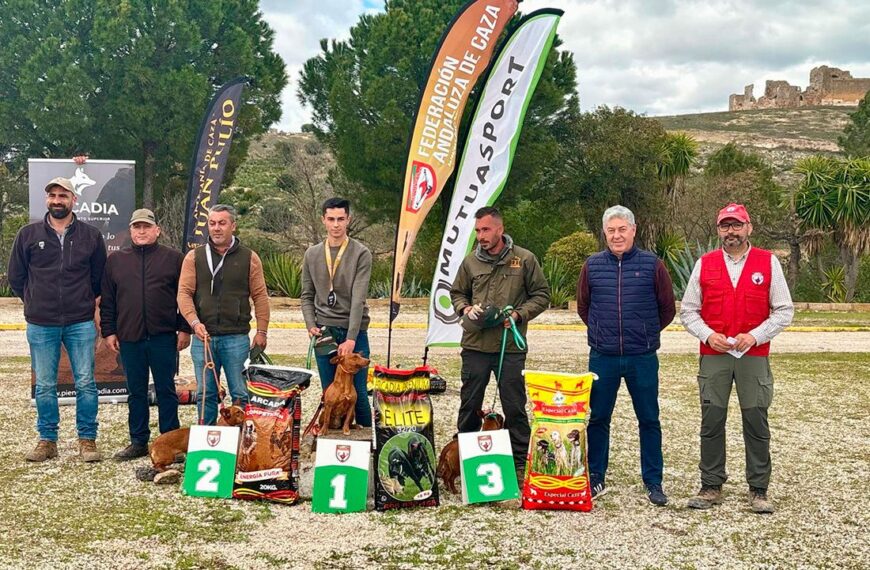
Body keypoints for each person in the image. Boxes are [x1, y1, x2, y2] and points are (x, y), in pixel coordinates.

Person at [681, 203, 794, 514]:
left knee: (756, 419)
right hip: (714, 355)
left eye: (736, 225)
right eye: (725, 226)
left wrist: (755, 335)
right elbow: (688, 311)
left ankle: (759, 489)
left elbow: (784, 310)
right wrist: (708, 335)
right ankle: (711, 485)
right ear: (718, 230)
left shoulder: (767, 262)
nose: (731, 231)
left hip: (752, 356)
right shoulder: (705, 264)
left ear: (749, 228)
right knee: (712, 419)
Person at [576, 205, 676, 506]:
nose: (617, 235)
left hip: (641, 357)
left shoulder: (652, 265)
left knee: (649, 418)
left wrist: (644, 333)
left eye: (622, 229)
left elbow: (667, 308)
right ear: (604, 233)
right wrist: (602, 332)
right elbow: (584, 307)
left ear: (633, 230)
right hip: (603, 357)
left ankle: (653, 481)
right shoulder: (592, 265)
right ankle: (595, 475)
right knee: (598, 418)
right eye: (611, 230)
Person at [8, 174, 107, 462]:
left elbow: (99, 277)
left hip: (80, 321)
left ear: (74, 199)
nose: (57, 200)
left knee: (86, 382)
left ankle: (87, 439)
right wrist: (34, 301)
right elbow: (16, 276)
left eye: (63, 195)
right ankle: (47, 440)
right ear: (47, 199)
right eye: (52, 195)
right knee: (45, 385)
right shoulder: (27, 235)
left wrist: (87, 303)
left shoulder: (91, 235)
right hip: (41, 323)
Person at [450, 206, 550, 478]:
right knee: (469, 404)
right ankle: (464, 458)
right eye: (478, 230)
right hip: (476, 346)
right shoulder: (470, 262)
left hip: (510, 346)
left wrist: (519, 314)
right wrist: (464, 308)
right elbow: (457, 293)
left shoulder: (524, 259)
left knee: (514, 405)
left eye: (486, 230)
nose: (481, 236)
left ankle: (520, 461)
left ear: (500, 229)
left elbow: (542, 295)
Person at [100, 208, 192, 459]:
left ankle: (170, 441)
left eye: (146, 227)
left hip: (163, 337)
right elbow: (108, 300)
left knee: (166, 390)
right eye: (137, 227)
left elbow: (185, 296)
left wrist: (184, 328)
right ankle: (138, 441)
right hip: (130, 337)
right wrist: (109, 331)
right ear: (130, 230)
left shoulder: (174, 259)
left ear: (157, 230)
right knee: (136, 392)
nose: (141, 231)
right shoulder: (115, 261)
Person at [177, 204, 270, 425]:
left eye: (222, 223)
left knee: (241, 393)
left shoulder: (249, 257)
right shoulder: (194, 257)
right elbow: (184, 293)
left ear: (233, 226)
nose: (216, 228)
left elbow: (260, 296)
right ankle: (206, 438)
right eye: (212, 223)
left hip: (236, 338)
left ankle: (241, 439)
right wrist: (194, 322)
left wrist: (262, 331)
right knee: (205, 393)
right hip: (203, 338)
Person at [301, 197, 373, 427]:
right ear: (323, 220)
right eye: (331, 219)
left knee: (358, 394)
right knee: (330, 393)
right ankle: (330, 440)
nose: (336, 224)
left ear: (348, 220)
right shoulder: (312, 254)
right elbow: (306, 295)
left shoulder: (361, 253)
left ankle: (366, 439)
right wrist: (311, 324)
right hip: (325, 331)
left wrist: (351, 338)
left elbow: (358, 300)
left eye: (340, 219)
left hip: (354, 330)